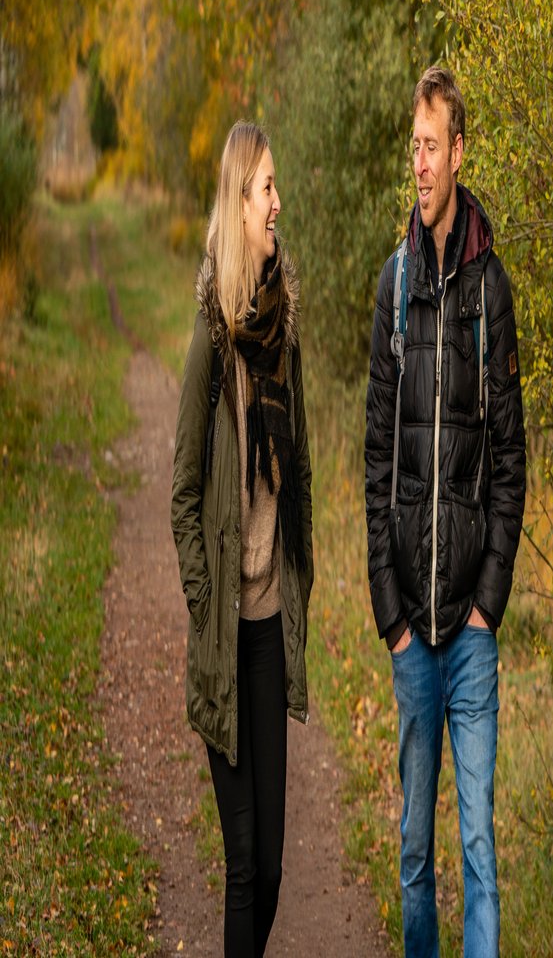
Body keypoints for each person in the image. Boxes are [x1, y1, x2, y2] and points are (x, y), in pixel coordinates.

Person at [366, 66, 526, 958]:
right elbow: (374, 461)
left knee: (478, 851)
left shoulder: (490, 290)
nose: (419, 164)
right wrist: (389, 612)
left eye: (432, 147)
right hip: (411, 635)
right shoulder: (393, 288)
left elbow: (512, 462)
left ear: (460, 153)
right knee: (414, 853)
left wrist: (488, 605)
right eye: (413, 148)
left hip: (468, 632)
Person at [171, 122, 314, 958]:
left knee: (275, 872)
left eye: (277, 188)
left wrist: (299, 584)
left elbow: (302, 477)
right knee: (242, 861)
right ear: (239, 200)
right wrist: (203, 602)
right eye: (267, 187)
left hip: (268, 631)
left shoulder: (282, 333)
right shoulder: (210, 336)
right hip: (225, 635)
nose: (278, 203)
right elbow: (184, 489)